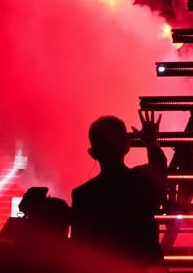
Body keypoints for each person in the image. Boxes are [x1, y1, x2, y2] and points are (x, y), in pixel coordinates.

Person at [70, 112, 168, 272]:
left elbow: (79, 247)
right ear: (127, 146)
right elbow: (159, 166)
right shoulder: (142, 181)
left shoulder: (83, 196)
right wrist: (151, 141)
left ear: (93, 153)